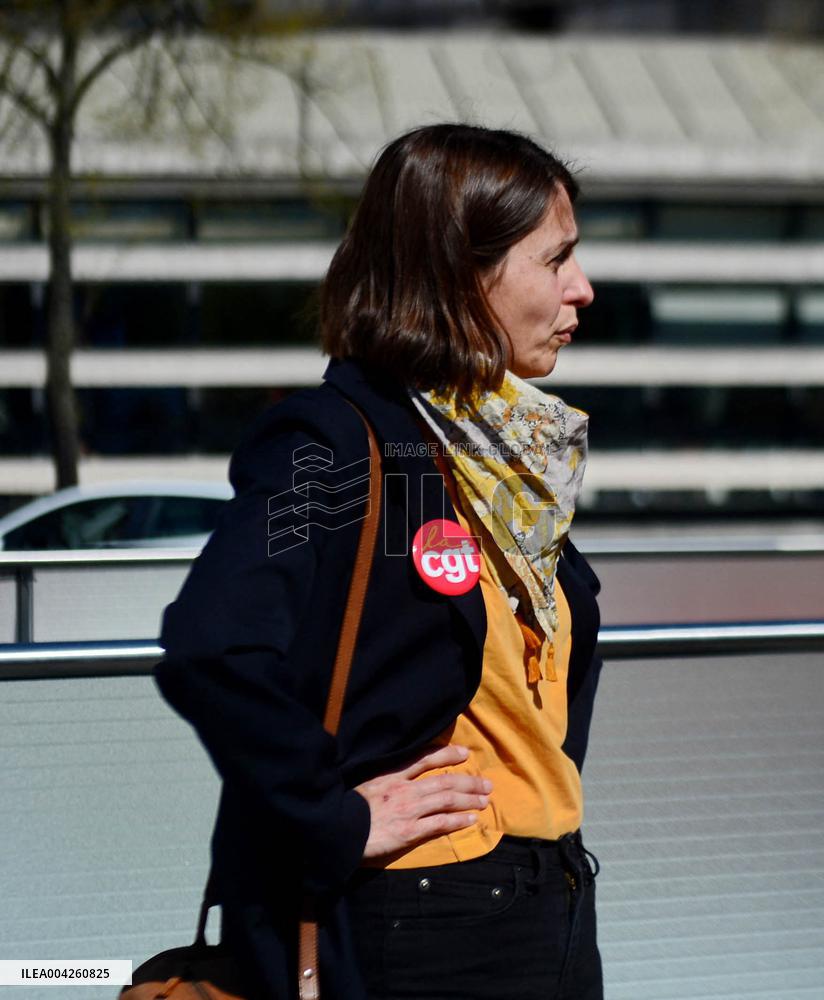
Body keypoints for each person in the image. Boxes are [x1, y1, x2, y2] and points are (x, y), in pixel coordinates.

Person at [156, 123, 603, 1000]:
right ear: (462, 274)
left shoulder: (507, 459)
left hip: (552, 904)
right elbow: (214, 645)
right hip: (425, 922)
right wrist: (332, 819)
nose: (582, 289)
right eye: (556, 261)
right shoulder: (332, 447)